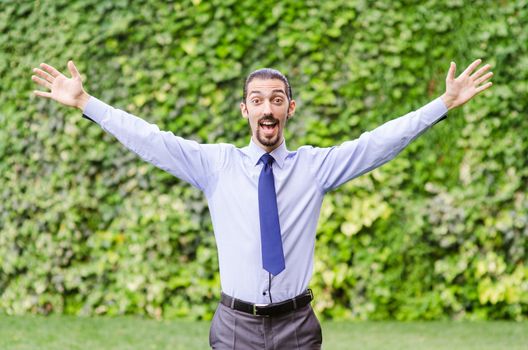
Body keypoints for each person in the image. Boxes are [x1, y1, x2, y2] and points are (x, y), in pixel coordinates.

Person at [32, 59, 492, 349]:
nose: (267, 109)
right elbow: (150, 139)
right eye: (257, 101)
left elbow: (377, 144)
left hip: (297, 327)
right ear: (245, 111)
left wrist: (443, 104)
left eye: (276, 100)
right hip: (235, 328)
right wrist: (88, 102)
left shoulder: (316, 168)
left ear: (290, 109)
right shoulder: (216, 165)